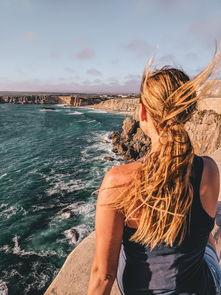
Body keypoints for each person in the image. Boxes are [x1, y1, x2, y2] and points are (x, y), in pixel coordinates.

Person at [87, 51, 221, 295]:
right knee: (207, 236)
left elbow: (103, 275)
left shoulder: (118, 181)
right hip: (205, 287)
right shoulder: (210, 170)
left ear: (143, 113)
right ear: (188, 112)